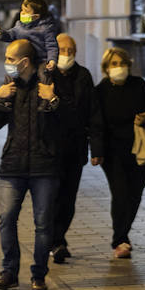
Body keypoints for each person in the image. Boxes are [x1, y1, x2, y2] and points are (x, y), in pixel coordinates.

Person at [0, 38, 60, 290]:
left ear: (24, 62)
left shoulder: (48, 86)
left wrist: (52, 103)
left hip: (44, 166)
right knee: (7, 219)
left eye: (9, 58)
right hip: (12, 164)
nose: (6, 63)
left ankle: (39, 274)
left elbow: (63, 126)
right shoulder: (9, 88)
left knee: (43, 224)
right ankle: (9, 272)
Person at [90, 46, 145, 259]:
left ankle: (123, 233)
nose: (119, 68)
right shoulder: (100, 91)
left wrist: (144, 118)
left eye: (122, 63)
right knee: (120, 194)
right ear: (106, 68)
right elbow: (96, 124)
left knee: (135, 193)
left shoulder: (139, 85)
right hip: (113, 151)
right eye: (114, 64)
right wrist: (97, 151)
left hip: (140, 149)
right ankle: (120, 239)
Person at [49, 32, 93, 264]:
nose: (67, 55)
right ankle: (55, 241)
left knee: (68, 198)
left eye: (71, 51)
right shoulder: (46, 76)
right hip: (51, 150)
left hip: (75, 149)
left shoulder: (83, 76)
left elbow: (92, 113)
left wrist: (96, 148)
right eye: (63, 50)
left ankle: (59, 237)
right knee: (52, 196)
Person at [0, 0, 58, 70]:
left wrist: (52, 60)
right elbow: (10, 35)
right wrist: (0, 34)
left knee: (42, 76)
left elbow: (51, 46)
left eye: (26, 11)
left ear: (36, 16)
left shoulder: (46, 28)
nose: (22, 13)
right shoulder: (19, 25)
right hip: (22, 62)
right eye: (22, 10)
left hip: (40, 63)